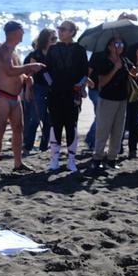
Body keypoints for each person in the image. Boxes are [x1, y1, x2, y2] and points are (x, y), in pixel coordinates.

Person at [0, 22, 45, 174]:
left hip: (15, 96)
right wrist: (31, 67)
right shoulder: (2, 50)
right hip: (1, 94)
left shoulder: (14, 51)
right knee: (0, 128)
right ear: (14, 33)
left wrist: (26, 78)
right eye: (21, 31)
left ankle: (18, 163)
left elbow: (17, 72)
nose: (23, 34)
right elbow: (8, 70)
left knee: (18, 128)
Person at [90, 32, 138, 174]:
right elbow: (101, 83)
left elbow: (135, 74)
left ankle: (112, 159)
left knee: (118, 131)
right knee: (103, 130)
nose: (120, 47)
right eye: (117, 44)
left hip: (122, 99)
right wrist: (115, 68)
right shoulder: (104, 60)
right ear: (110, 46)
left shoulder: (124, 60)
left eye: (122, 44)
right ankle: (97, 159)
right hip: (107, 99)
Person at [44, 21, 89, 173]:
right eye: (59, 29)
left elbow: (85, 73)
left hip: (72, 95)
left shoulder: (80, 50)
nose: (60, 32)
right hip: (55, 94)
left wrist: (79, 86)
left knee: (72, 126)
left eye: (63, 29)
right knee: (55, 125)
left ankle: (71, 160)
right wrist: (51, 85)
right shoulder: (53, 49)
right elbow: (46, 70)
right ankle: (54, 159)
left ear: (71, 32)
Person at [118, 14, 138, 160]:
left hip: (137, 83)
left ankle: (131, 150)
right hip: (119, 84)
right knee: (121, 118)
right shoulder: (116, 40)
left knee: (134, 118)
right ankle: (118, 147)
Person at [23, 28, 56, 157]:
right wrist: (27, 90)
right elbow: (29, 73)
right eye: (52, 39)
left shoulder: (56, 52)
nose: (54, 41)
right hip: (38, 87)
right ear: (45, 39)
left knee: (49, 119)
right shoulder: (35, 54)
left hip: (53, 88)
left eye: (55, 39)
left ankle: (44, 145)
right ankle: (28, 145)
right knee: (36, 118)